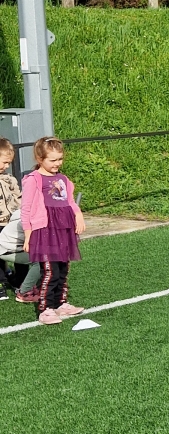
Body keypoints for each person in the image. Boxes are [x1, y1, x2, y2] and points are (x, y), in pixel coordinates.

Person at [21, 136, 86, 324]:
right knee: (50, 271)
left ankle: (60, 303)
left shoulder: (63, 179)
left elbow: (70, 201)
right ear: (40, 159)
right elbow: (26, 209)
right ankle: (46, 309)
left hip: (63, 230)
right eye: (53, 160)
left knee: (63, 268)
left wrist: (78, 215)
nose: (57, 163)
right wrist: (28, 235)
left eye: (60, 159)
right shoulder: (34, 180)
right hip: (45, 231)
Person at [0, 138, 22, 297]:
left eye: (9, 163)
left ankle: (20, 280)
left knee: (17, 250)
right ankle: (1, 281)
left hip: (11, 223)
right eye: (4, 162)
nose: (7, 166)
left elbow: (19, 198)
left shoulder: (10, 179)